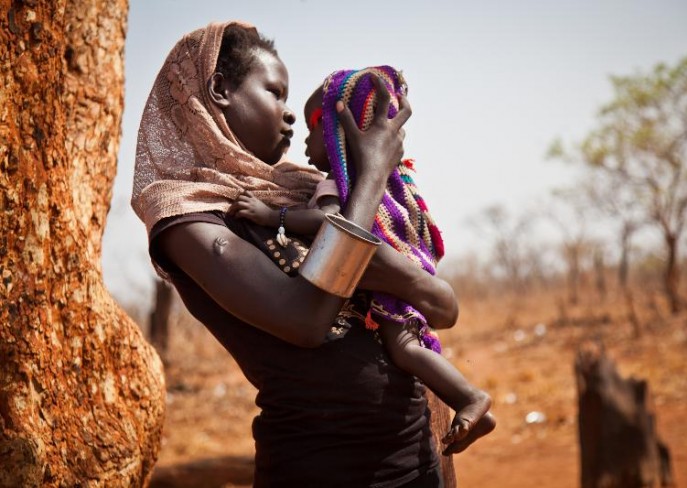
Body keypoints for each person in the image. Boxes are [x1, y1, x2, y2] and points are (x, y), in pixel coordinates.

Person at [131, 21, 493, 487]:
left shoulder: (304, 192)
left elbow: (442, 308)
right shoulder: (186, 216)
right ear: (220, 90)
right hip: (322, 463)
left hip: (419, 453)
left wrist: (401, 271)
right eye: (275, 93)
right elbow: (305, 321)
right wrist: (371, 176)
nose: (289, 116)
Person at [230, 67, 495, 451]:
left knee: (405, 348)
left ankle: (470, 398)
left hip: (384, 287)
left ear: (342, 128)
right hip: (410, 279)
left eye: (315, 124)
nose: (305, 136)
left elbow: (330, 222)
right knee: (408, 346)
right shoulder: (388, 186)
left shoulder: (343, 184)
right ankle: (471, 404)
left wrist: (273, 216)